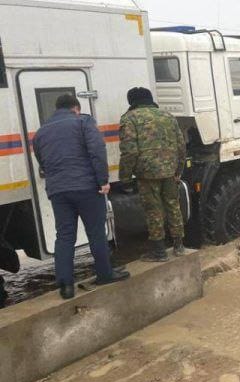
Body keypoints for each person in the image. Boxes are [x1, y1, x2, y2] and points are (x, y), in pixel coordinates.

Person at [33, 94, 129, 299]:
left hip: (58, 190)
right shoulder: (83, 122)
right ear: (76, 108)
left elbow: (41, 159)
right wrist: (103, 180)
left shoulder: (41, 132)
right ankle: (104, 274)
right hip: (86, 187)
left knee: (65, 235)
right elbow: (97, 151)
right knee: (96, 231)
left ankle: (66, 286)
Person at [119, 87, 186, 262]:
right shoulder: (168, 116)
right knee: (173, 205)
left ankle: (159, 252)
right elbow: (181, 146)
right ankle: (179, 245)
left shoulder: (129, 119)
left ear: (131, 101)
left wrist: (125, 178)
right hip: (170, 171)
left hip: (147, 173)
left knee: (153, 210)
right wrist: (178, 170)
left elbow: (129, 151)